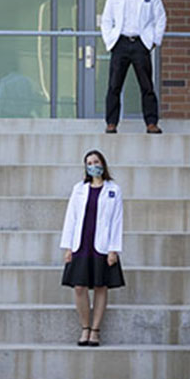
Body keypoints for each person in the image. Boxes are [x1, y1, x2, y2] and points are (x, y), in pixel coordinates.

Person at [60, 149, 124, 347]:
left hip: (102, 245)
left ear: (103, 164)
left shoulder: (113, 189)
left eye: (96, 161)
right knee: (79, 287)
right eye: (89, 163)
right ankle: (85, 327)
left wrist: (114, 249)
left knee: (100, 286)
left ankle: (95, 330)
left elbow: (117, 220)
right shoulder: (79, 188)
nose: (93, 165)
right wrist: (68, 246)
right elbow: (71, 218)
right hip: (81, 243)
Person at [100, 0, 167, 134]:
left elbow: (160, 18)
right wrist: (110, 41)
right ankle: (111, 123)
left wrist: (154, 41)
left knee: (146, 86)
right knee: (114, 85)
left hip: (140, 44)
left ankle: (151, 123)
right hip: (120, 43)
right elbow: (106, 21)